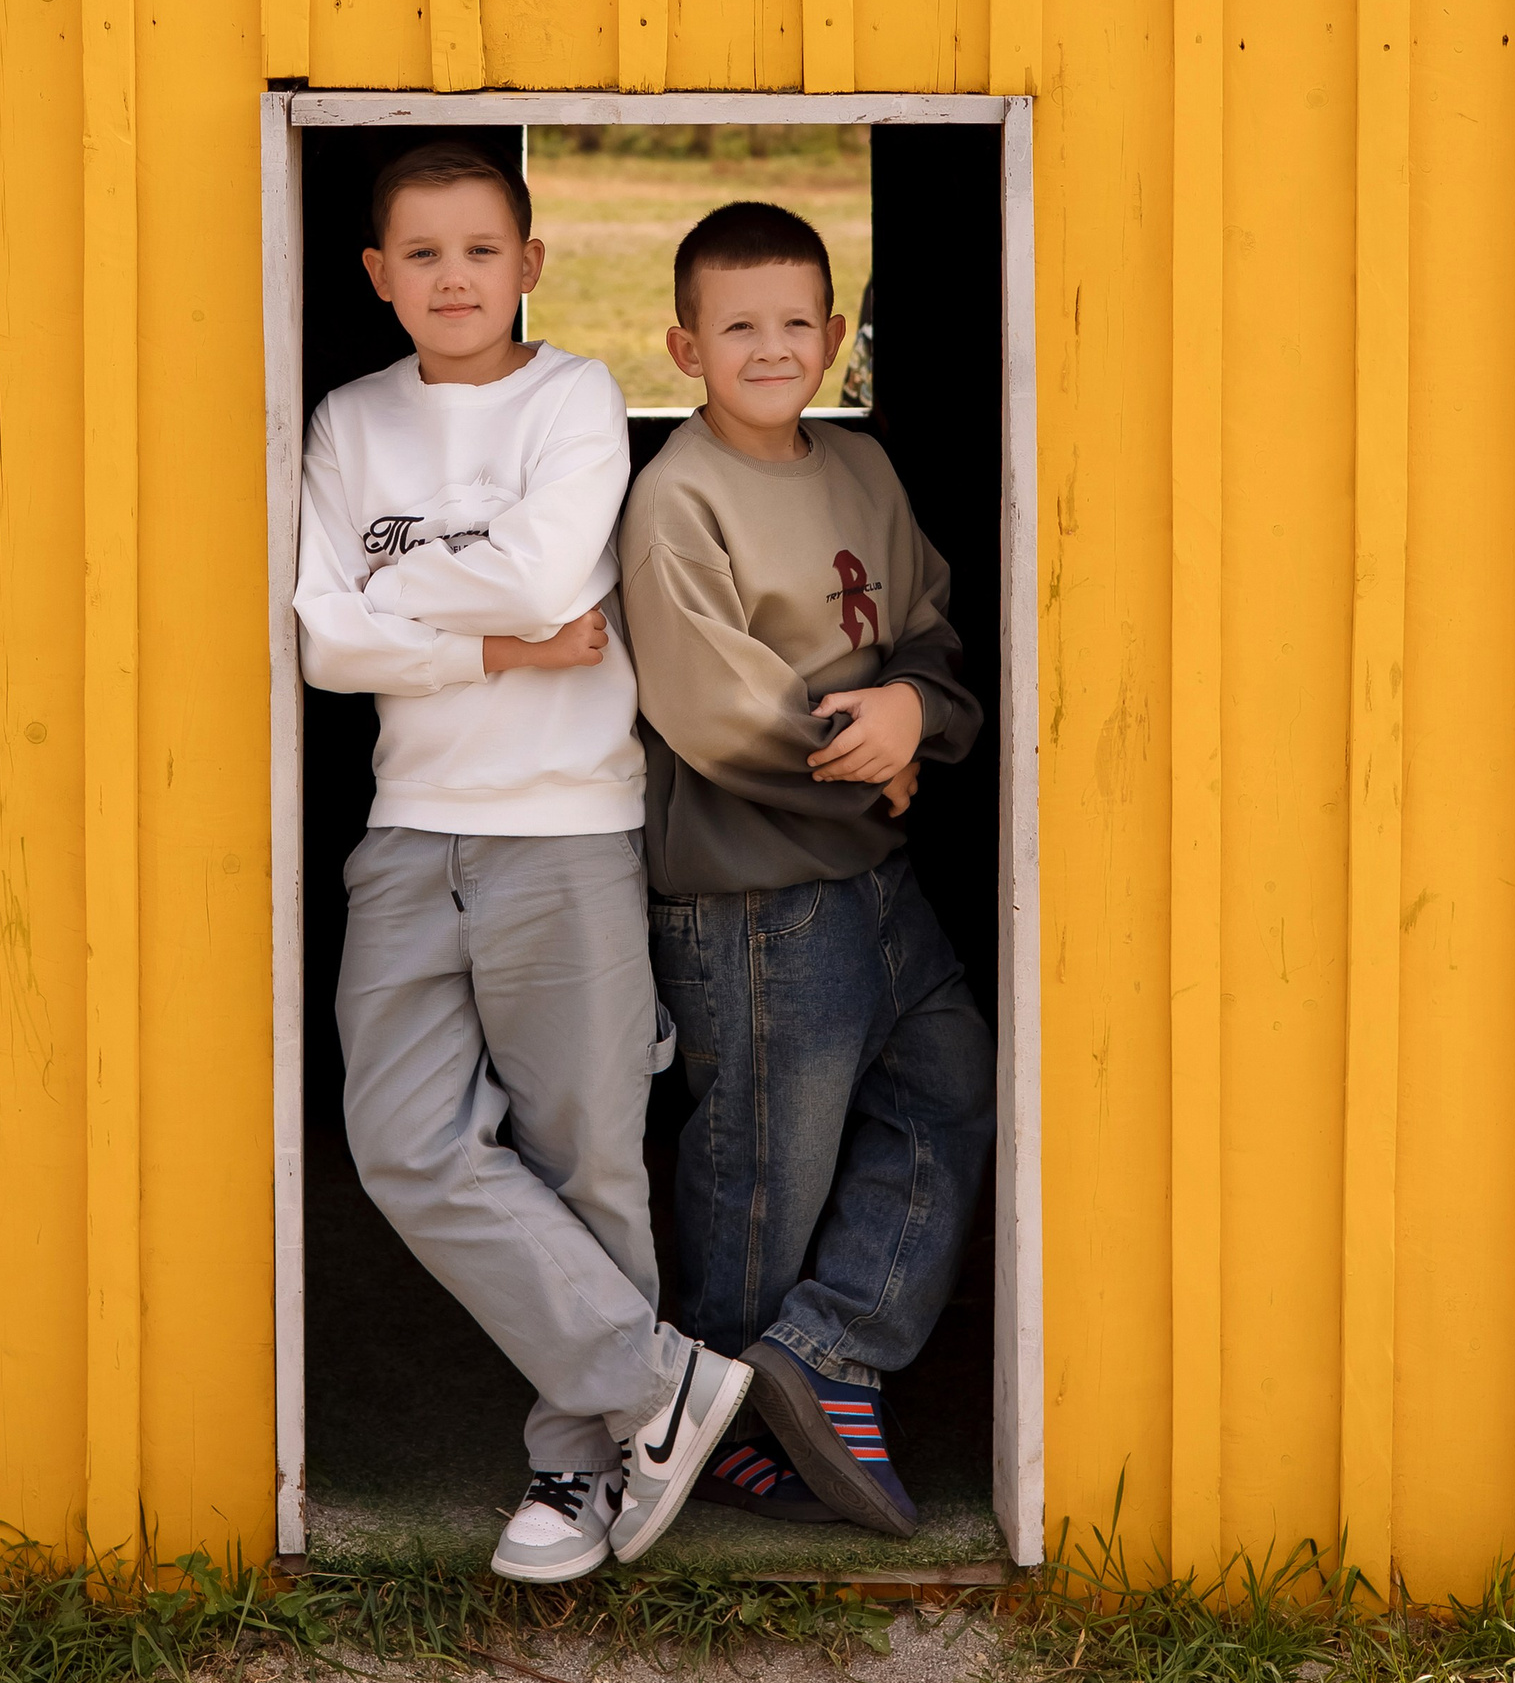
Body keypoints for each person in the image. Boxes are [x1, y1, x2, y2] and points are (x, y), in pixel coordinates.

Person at [294, 141, 752, 1584]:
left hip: (564, 828)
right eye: (422, 254)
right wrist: (498, 647)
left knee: (585, 1154)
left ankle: (579, 1465)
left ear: (531, 264)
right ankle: (656, 1381)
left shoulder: (574, 399)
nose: (454, 278)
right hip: (409, 827)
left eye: (482, 250)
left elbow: (542, 576)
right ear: (377, 275)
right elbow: (323, 643)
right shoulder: (351, 418)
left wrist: (398, 598)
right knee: (402, 1142)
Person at [618, 200, 996, 1540]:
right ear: (685, 346)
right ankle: (723, 1425)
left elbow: (929, 624)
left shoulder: (863, 470)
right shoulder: (676, 500)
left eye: (794, 323)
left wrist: (915, 712)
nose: (770, 349)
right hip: (755, 901)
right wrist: (869, 762)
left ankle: (829, 1349)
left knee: (952, 1091)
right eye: (738, 327)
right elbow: (713, 707)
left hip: (875, 880)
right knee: (760, 1174)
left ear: (836, 336)